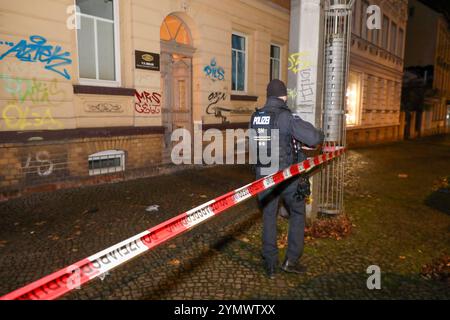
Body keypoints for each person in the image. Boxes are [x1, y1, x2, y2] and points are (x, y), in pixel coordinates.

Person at [250, 79, 324, 279]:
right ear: (283, 96)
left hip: (264, 176)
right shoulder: (285, 116)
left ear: (268, 95)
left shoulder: (256, 116)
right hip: (286, 176)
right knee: (298, 213)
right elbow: (314, 138)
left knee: (268, 216)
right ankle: (291, 260)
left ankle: (271, 263)